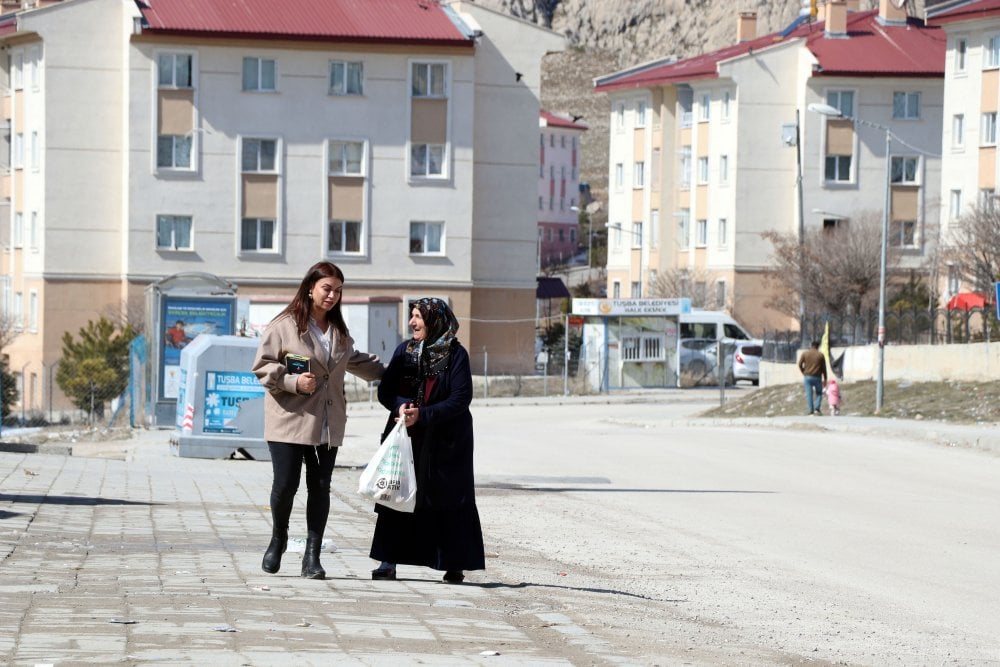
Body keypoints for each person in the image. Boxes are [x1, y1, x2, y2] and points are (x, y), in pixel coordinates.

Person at [252, 261, 384, 580]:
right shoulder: (283, 325)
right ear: (310, 288)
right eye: (327, 289)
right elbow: (263, 366)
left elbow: (357, 362)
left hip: (327, 422)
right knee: (286, 485)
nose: (332, 296)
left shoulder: (339, 334)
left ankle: (312, 556)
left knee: (320, 487)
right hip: (289, 419)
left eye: (338, 291)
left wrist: (402, 368)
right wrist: (293, 383)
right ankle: (278, 538)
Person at [369, 297, 485, 584]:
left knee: (447, 497)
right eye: (412, 316)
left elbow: (460, 398)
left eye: (418, 316)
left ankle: (452, 563)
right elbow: (386, 392)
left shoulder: (456, 355)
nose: (412, 322)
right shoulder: (405, 351)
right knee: (397, 494)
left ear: (435, 321)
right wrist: (401, 408)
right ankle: (388, 561)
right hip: (406, 436)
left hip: (447, 440)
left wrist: (424, 414)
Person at [798, 340, 827, 416]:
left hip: (807, 377)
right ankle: (817, 409)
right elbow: (824, 368)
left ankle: (811, 410)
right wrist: (825, 379)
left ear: (811, 345)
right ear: (818, 346)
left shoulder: (805, 353)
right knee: (819, 393)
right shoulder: (820, 355)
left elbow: (800, 364)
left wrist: (803, 372)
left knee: (809, 394)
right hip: (817, 377)